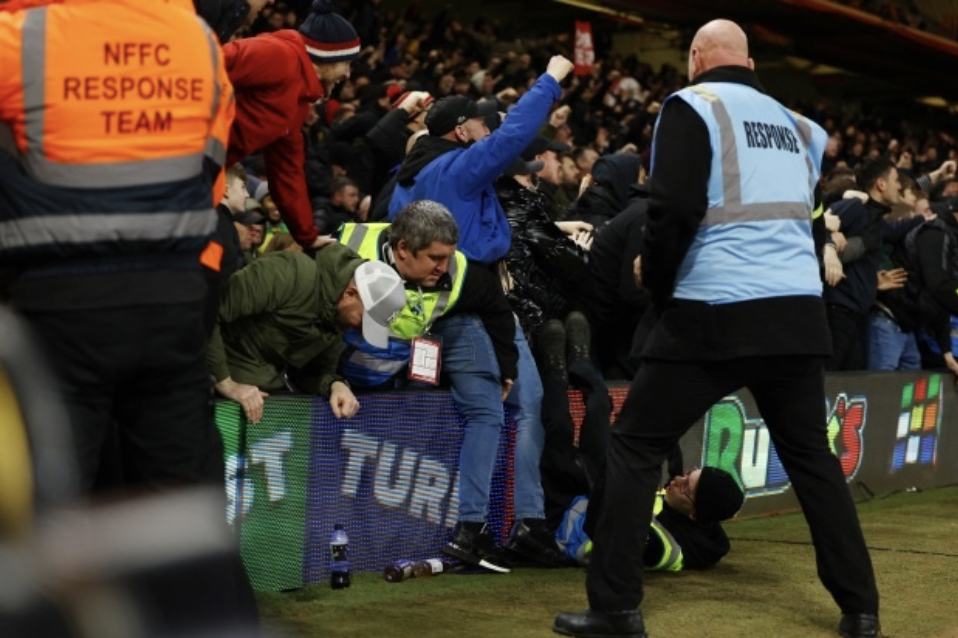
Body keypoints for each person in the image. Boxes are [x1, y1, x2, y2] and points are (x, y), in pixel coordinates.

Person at [554, 20, 880, 638]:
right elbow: (809, 225)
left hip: (713, 311)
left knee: (634, 445)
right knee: (814, 463)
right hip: (797, 318)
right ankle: (861, 610)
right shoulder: (802, 128)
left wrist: (659, 280)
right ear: (751, 61)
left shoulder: (692, 105)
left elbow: (673, 207)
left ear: (695, 58)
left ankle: (616, 608)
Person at [0, 0, 233, 494]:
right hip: (174, 293)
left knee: (43, 499)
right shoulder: (197, 40)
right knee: (181, 502)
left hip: (55, 298)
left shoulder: (21, 40)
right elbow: (210, 171)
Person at [338, 201, 569, 570]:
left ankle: (509, 526)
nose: (443, 266)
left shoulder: (460, 271)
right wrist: (329, 378)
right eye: (434, 257)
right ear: (401, 250)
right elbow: (312, 295)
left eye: (448, 256)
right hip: (370, 355)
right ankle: (484, 527)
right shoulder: (350, 247)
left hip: (459, 323)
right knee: (490, 410)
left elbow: (494, 304)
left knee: (507, 407)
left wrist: (507, 367)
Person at [387, 55, 575, 265]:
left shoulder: (411, 170)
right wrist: (551, 79)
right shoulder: (459, 167)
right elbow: (513, 134)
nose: (488, 129)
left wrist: (555, 228)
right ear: (461, 132)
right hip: (461, 274)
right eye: (481, 122)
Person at [208, 243, 407, 424]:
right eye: (365, 320)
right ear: (350, 294)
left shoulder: (338, 320)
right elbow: (207, 312)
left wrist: (335, 385)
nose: (363, 332)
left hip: (263, 401)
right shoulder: (288, 273)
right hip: (211, 393)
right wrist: (226, 383)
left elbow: (308, 373)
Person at [224, 0, 359, 249]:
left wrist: (307, 236)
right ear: (328, 57)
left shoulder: (298, 104)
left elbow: (287, 172)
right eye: (347, 64)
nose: (348, 75)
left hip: (201, 169)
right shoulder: (279, 55)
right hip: (175, 153)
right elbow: (209, 62)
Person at [556, 466, 744, 572]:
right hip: (573, 506)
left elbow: (610, 532)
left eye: (685, 485)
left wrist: (613, 464)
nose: (677, 479)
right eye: (688, 473)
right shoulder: (676, 509)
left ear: (694, 514)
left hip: (561, 532)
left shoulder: (663, 547)